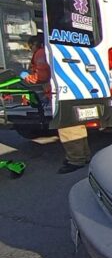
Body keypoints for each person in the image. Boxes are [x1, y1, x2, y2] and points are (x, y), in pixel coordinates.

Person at [22, 35, 91, 174]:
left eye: (30, 47)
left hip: (59, 93)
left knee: (67, 127)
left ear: (35, 44)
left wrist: (26, 77)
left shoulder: (41, 53)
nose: (31, 50)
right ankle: (83, 156)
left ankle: (75, 160)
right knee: (76, 126)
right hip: (72, 91)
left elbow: (41, 77)